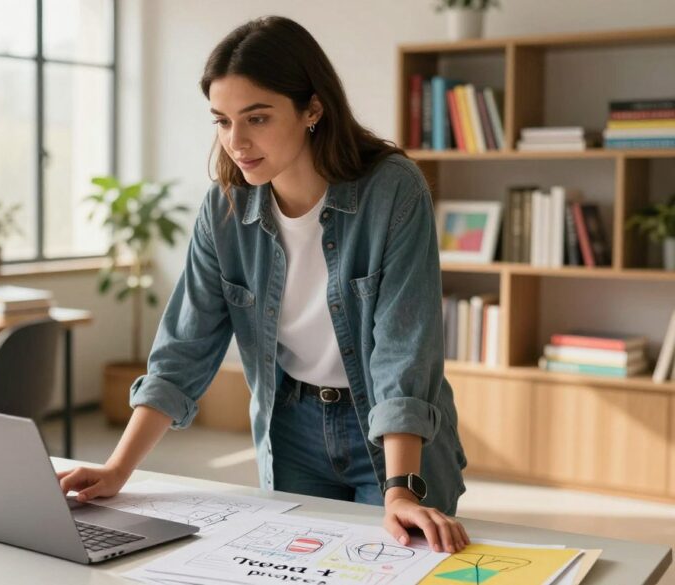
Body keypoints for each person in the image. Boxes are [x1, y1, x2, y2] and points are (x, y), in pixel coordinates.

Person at [58, 15, 470, 553]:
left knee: (399, 562)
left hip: (391, 434)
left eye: (256, 118)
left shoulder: (391, 190)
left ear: (312, 110)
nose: (236, 141)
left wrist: (399, 489)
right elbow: (184, 349)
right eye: (222, 121)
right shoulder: (224, 209)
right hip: (290, 426)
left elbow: (404, 349)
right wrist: (116, 470)